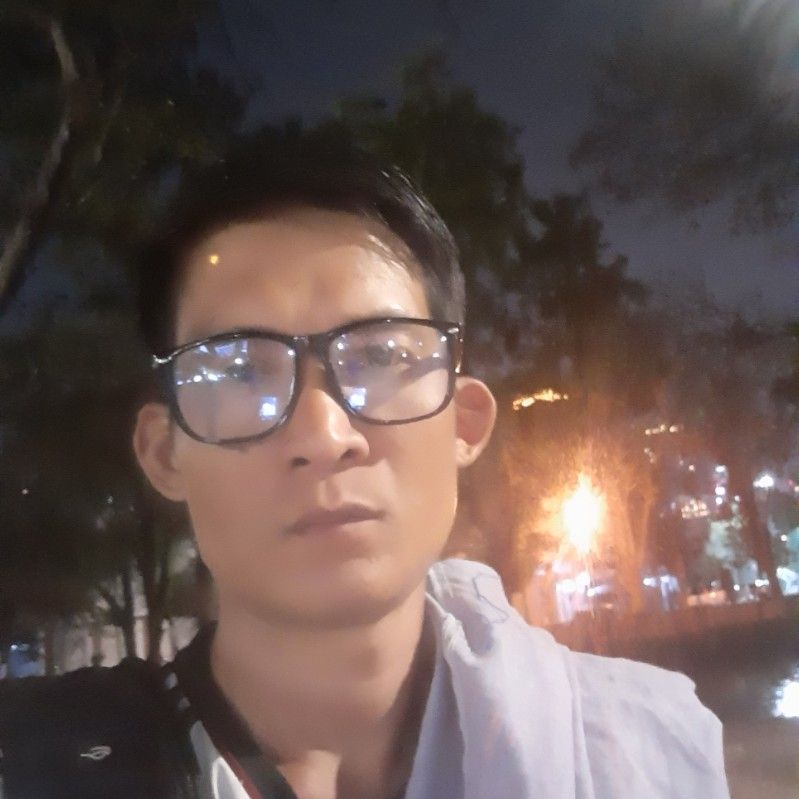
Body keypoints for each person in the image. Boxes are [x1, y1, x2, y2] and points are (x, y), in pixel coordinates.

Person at [0, 135, 730, 799]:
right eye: (240, 370)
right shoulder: (43, 765)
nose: (324, 434)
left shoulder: (641, 751)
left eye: (380, 355)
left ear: (464, 422)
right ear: (165, 452)